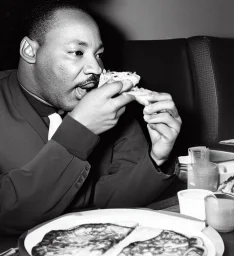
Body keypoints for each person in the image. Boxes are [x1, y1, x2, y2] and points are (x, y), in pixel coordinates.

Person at [0, 0, 182, 235]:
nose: (96, 69)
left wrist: (156, 157)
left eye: (98, 54)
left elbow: (111, 202)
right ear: (30, 51)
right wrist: (79, 132)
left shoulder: (111, 109)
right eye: (78, 52)